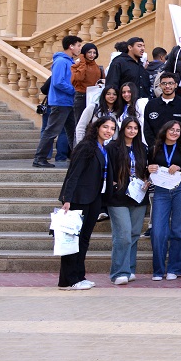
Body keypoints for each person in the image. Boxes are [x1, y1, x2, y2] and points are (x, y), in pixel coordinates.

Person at [56, 116, 117, 289]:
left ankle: (78, 276)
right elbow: (73, 174)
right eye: (105, 127)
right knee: (73, 240)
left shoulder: (102, 148)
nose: (108, 131)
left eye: (112, 128)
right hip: (79, 199)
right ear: (97, 127)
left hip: (95, 198)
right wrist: (67, 199)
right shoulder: (86, 146)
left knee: (84, 240)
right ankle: (69, 280)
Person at [146, 120, 181, 281]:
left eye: (178, 130)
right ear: (165, 131)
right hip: (161, 191)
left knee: (180, 230)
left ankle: (176, 268)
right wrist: (149, 169)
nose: (174, 132)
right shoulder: (154, 149)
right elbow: (147, 169)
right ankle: (158, 270)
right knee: (158, 231)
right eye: (171, 130)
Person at [105, 118, 149, 285]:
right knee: (123, 235)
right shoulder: (112, 147)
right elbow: (104, 169)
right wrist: (111, 182)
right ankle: (118, 272)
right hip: (118, 197)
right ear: (123, 129)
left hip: (138, 196)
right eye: (129, 127)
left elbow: (145, 169)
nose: (132, 131)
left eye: (135, 128)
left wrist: (147, 179)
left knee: (134, 234)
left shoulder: (142, 148)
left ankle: (129, 269)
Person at [35, 35, 82, 168]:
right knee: (52, 131)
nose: (79, 48)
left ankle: (77, 157)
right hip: (61, 102)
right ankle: (39, 158)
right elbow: (58, 82)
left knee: (74, 131)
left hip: (67, 102)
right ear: (71, 46)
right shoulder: (61, 61)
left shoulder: (69, 61)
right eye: (78, 45)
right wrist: (75, 90)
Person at [142, 72, 181, 149]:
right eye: (164, 83)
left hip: (178, 149)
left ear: (176, 85)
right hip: (156, 149)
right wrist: (154, 146)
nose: (167, 86)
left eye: (170, 83)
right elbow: (147, 129)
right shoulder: (151, 105)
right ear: (159, 85)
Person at [70, 42, 103, 125]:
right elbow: (79, 78)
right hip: (81, 96)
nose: (92, 55)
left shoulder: (98, 67)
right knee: (80, 124)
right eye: (89, 52)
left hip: (94, 97)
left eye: (94, 52)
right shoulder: (76, 66)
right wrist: (82, 62)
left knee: (93, 124)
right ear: (84, 53)